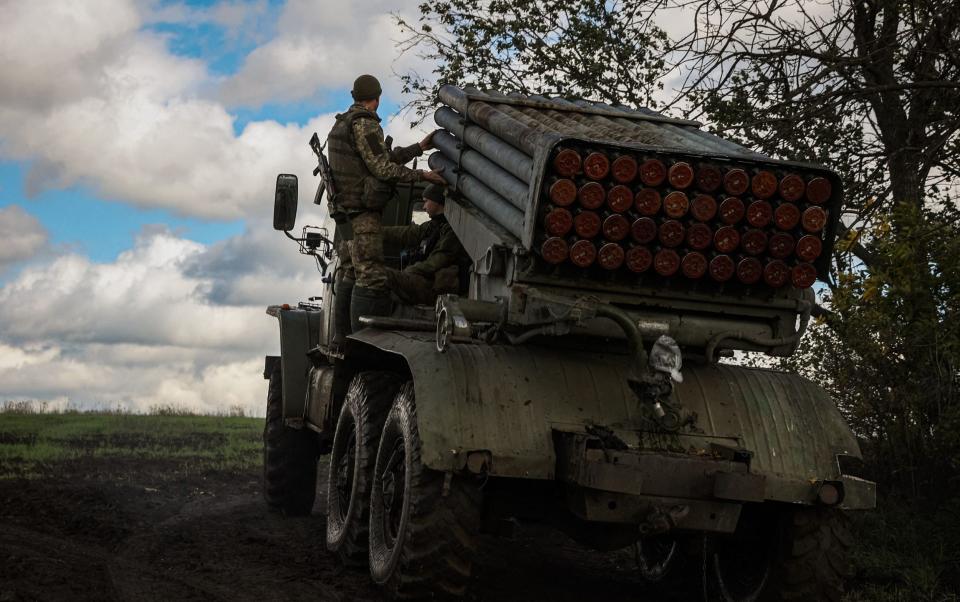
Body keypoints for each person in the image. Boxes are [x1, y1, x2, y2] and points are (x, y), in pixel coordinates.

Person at [327, 74, 446, 336]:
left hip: (348, 213)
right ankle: (361, 345)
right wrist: (422, 176)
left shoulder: (342, 124)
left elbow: (374, 160)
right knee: (371, 278)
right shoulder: (364, 124)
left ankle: (343, 340)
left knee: (350, 270)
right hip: (363, 212)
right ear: (377, 98)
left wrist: (417, 148)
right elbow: (382, 168)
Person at [373, 183, 469, 306]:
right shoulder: (433, 225)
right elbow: (408, 233)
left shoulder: (452, 230)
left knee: (378, 274)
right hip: (425, 280)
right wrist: (377, 232)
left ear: (437, 202)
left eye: (426, 201)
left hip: (433, 286)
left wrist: (409, 271)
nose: (423, 206)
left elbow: (437, 262)